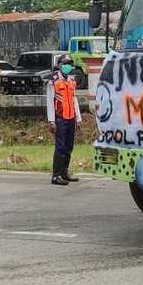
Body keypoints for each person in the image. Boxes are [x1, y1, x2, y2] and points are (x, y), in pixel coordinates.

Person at [46, 53, 84, 186]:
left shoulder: (71, 80)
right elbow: (50, 102)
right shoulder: (54, 80)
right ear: (60, 65)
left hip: (70, 118)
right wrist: (51, 121)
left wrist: (78, 119)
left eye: (70, 63)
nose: (68, 66)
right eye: (66, 63)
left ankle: (64, 172)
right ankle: (56, 175)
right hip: (60, 119)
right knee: (60, 148)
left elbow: (74, 99)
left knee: (69, 147)